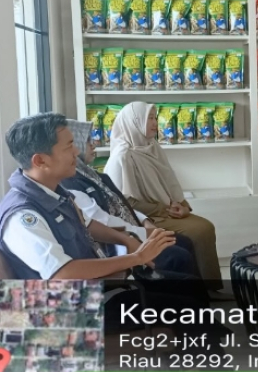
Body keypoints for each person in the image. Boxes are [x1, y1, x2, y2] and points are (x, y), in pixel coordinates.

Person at [0, 113, 176, 279]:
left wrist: (125, 239)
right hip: (74, 300)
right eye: (69, 146)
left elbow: (86, 223)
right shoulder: (22, 216)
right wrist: (137, 258)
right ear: (40, 161)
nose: (77, 152)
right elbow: (63, 274)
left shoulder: (56, 193)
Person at [103, 102, 223, 290]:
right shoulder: (122, 157)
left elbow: (169, 181)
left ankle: (208, 288)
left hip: (167, 210)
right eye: (149, 118)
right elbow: (124, 204)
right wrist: (162, 209)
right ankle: (202, 290)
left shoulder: (152, 146)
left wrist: (183, 206)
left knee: (205, 227)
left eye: (155, 118)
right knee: (200, 230)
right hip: (146, 217)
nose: (154, 123)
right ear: (134, 122)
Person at [61, 119, 199, 276]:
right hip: (118, 243)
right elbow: (103, 222)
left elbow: (122, 205)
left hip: (134, 229)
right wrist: (141, 232)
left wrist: (145, 221)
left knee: (184, 242)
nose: (93, 145)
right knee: (179, 256)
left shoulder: (95, 175)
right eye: (86, 141)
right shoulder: (71, 184)